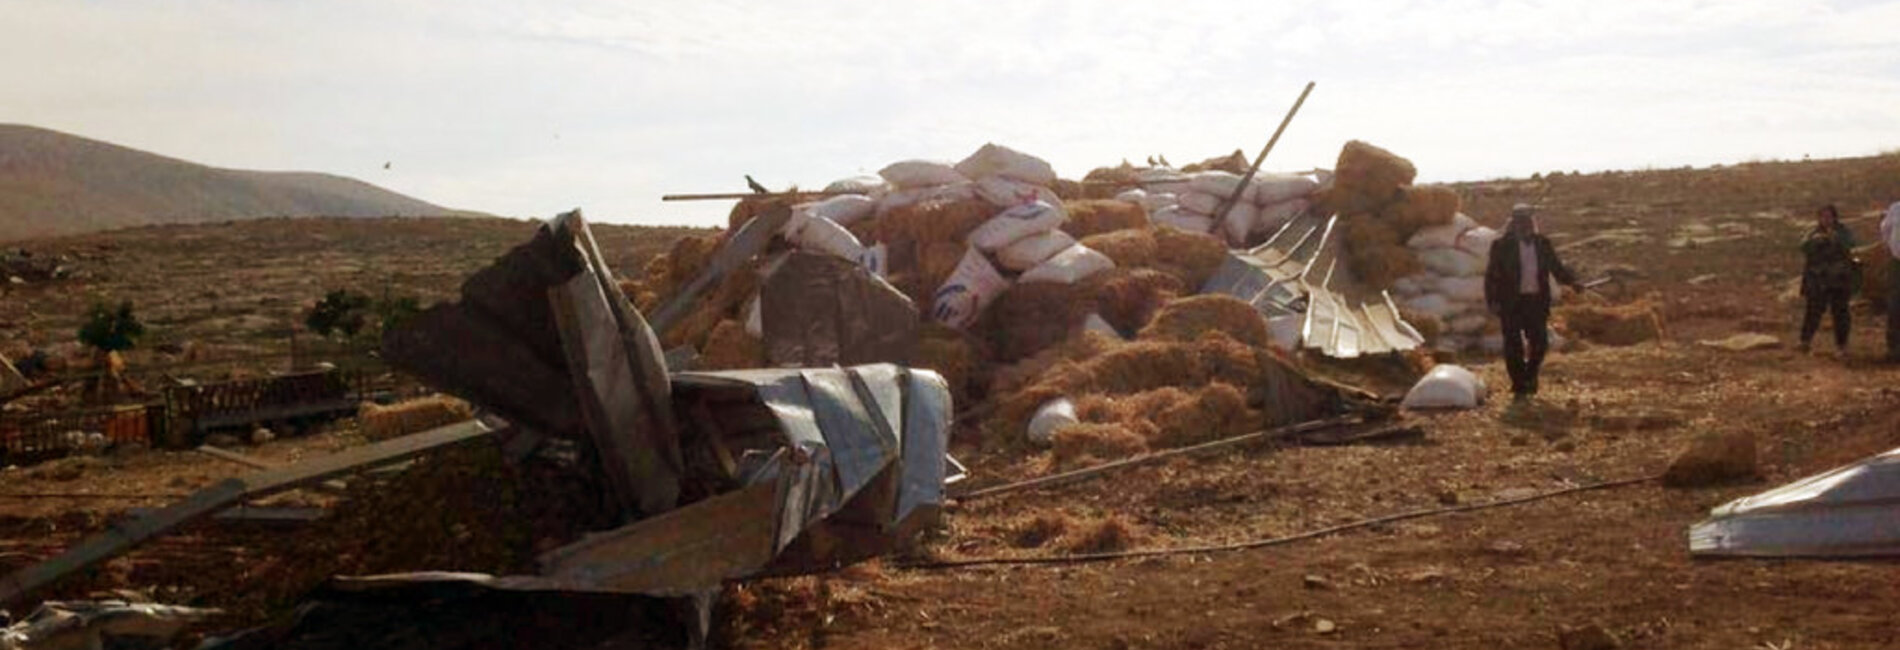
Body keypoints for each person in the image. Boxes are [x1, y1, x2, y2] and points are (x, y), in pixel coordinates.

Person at [1485, 203, 1581, 398]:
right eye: (1520, 221)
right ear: (1513, 223)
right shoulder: (1501, 246)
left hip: (1536, 301)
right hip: (1511, 302)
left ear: (1532, 222)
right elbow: (1491, 276)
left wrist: (1572, 283)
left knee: (1540, 343)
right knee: (1513, 345)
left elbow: (1556, 268)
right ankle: (1519, 383)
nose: (1524, 225)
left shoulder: (1542, 243)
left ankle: (1531, 373)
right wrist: (1492, 300)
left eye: (1527, 221)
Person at [1797, 204, 1859, 355]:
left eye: (1829, 216)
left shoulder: (1843, 232)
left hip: (1839, 278)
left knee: (1840, 313)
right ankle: (1805, 342)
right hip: (1818, 279)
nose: (1826, 220)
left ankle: (1842, 345)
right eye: (1823, 217)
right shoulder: (1813, 233)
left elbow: (1851, 244)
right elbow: (1803, 246)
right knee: (1813, 311)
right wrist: (1817, 241)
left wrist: (1835, 239)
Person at [1880, 202, 1900, 362]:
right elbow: (1885, 231)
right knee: (1895, 305)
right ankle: (1893, 348)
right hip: (1897, 263)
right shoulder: (1895, 209)